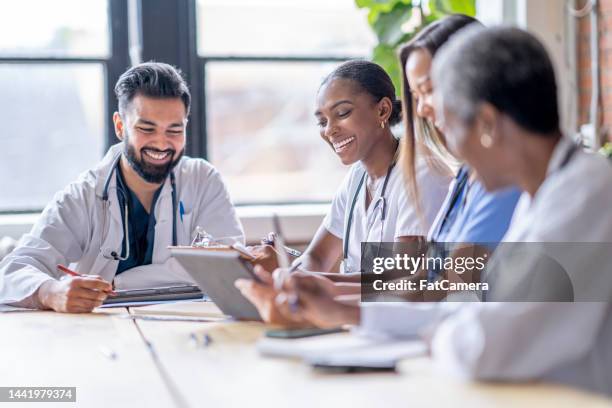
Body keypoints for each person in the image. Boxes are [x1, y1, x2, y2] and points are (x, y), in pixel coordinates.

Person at [281, 27, 612, 395]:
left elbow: (486, 345)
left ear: (487, 124)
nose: (451, 152)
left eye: (450, 125)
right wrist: (349, 312)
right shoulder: (544, 192)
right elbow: (470, 309)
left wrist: (435, 332)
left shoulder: (585, 197)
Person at [0, 62, 244, 313]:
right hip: (99, 333)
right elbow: (14, 269)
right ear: (120, 126)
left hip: (184, 329)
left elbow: (229, 270)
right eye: (146, 128)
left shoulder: (204, 181)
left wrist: (118, 283)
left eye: (174, 129)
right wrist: (51, 292)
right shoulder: (83, 195)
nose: (161, 143)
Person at [236, 60, 451, 324]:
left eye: (342, 113)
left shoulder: (422, 172)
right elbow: (317, 256)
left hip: (401, 324)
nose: (329, 130)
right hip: (358, 318)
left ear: (382, 110)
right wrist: (289, 279)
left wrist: (318, 284)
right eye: (322, 121)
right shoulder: (357, 178)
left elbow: (403, 276)